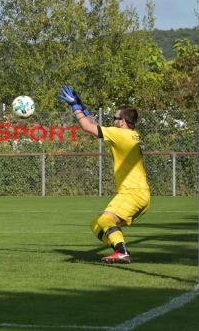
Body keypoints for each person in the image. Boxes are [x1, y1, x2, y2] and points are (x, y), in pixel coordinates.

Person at [58, 85, 150, 264]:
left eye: (115, 118)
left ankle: (121, 251)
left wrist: (74, 108)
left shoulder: (120, 135)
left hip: (132, 192)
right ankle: (120, 248)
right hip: (140, 194)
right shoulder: (131, 134)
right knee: (96, 224)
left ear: (122, 122)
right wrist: (82, 106)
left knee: (106, 220)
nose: (113, 121)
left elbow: (87, 126)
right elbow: (95, 125)